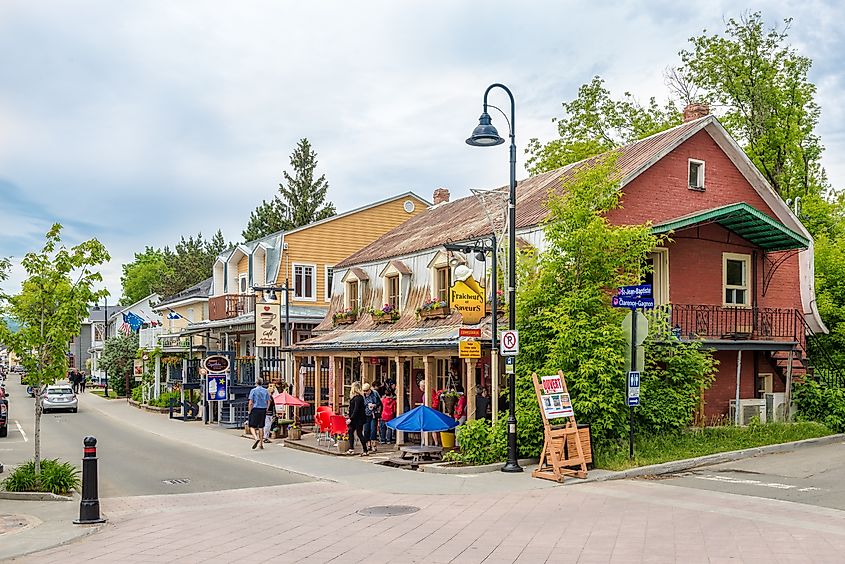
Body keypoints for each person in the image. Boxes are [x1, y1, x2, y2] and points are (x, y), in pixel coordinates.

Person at [248, 377, 271, 450]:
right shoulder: (266, 391)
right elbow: (268, 401)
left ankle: (256, 438)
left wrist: (249, 410)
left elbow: (251, 402)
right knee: (261, 427)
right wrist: (266, 409)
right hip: (263, 409)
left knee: (252, 426)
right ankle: (261, 444)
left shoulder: (253, 390)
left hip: (255, 409)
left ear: (256, 383)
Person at [346, 382, 367, 456]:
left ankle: (365, 450)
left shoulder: (358, 398)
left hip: (357, 419)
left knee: (359, 433)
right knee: (350, 432)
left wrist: (350, 418)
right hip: (355, 419)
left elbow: (356, 409)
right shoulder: (357, 398)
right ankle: (351, 448)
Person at [362, 383, 382, 452]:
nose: (365, 392)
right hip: (366, 414)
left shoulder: (375, 394)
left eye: (367, 391)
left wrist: (374, 405)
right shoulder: (363, 396)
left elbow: (379, 403)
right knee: (366, 430)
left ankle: (374, 445)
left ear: (369, 389)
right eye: (364, 391)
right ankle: (368, 444)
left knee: (373, 429)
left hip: (373, 414)